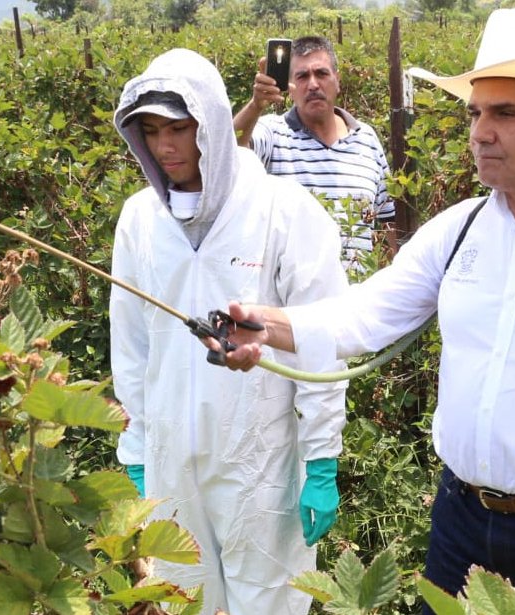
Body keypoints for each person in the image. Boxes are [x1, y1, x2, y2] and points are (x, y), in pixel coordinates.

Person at [212, 7, 515, 615]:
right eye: (476, 112)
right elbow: (363, 316)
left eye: (506, 113)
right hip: (461, 526)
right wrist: (263, 326)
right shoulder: (461, 230)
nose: (480, 132)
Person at [110, 48, 348, 615]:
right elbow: (132, 343)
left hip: (259, 460)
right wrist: (138, 448)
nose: (165, 147)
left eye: (179, 128)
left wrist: (321, 457)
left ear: (212, 125)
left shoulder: (284, 213)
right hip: (169, 459)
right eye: (150, 131)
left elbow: (323, 336)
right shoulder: (140, 220)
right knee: (179, 600)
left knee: (268, 604)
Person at [233, 35, 398, 272]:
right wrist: (255, 105)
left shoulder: (366, 138)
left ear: (337, 81)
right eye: (301, 76)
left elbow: (386, 222)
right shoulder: (273, 132)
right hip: (289, 301)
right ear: (289, 87)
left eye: (321, 74)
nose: (312, 85)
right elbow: (230, 150)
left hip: (356, 297)